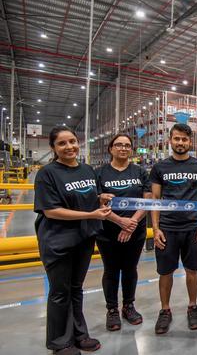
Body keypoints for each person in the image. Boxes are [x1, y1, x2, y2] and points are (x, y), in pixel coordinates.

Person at [34, 126, 111, 355]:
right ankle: (59, 342)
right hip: (57, 240)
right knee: (60, 291)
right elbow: (51, 210)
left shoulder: (86, 169)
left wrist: (100, 198)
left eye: (73, 141)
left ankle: (79, 334)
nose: (69, 147)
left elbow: (84, 197)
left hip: (83, 238)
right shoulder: (47, 173)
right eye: (62, 143)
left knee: (76, 288)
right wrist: (91, 215)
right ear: (53, 148)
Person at [149, 123, 197, 334]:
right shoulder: (160, 167)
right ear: (170, 140)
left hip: (193, 227)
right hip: (167, 228)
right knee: (165, 272)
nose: (180, 143)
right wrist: (156, 228)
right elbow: (156, 200)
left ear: (190, 142)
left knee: (192, 270)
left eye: (184, 139)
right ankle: (165, 310)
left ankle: (192, 306)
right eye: (176, 139)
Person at [96, 133, 152, 331]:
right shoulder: (99, 173)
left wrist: (132, 223)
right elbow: (96, 202)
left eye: (127, 145)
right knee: (111, 271)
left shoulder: (140, 172)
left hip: (135, 231)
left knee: (130, 270)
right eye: (118, 145)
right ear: (111, 148)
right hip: (107, 231)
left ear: (131, 149)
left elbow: (147, 201)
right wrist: (120, 221)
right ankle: (112, 309)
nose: (123, 148)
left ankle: (128, 306)